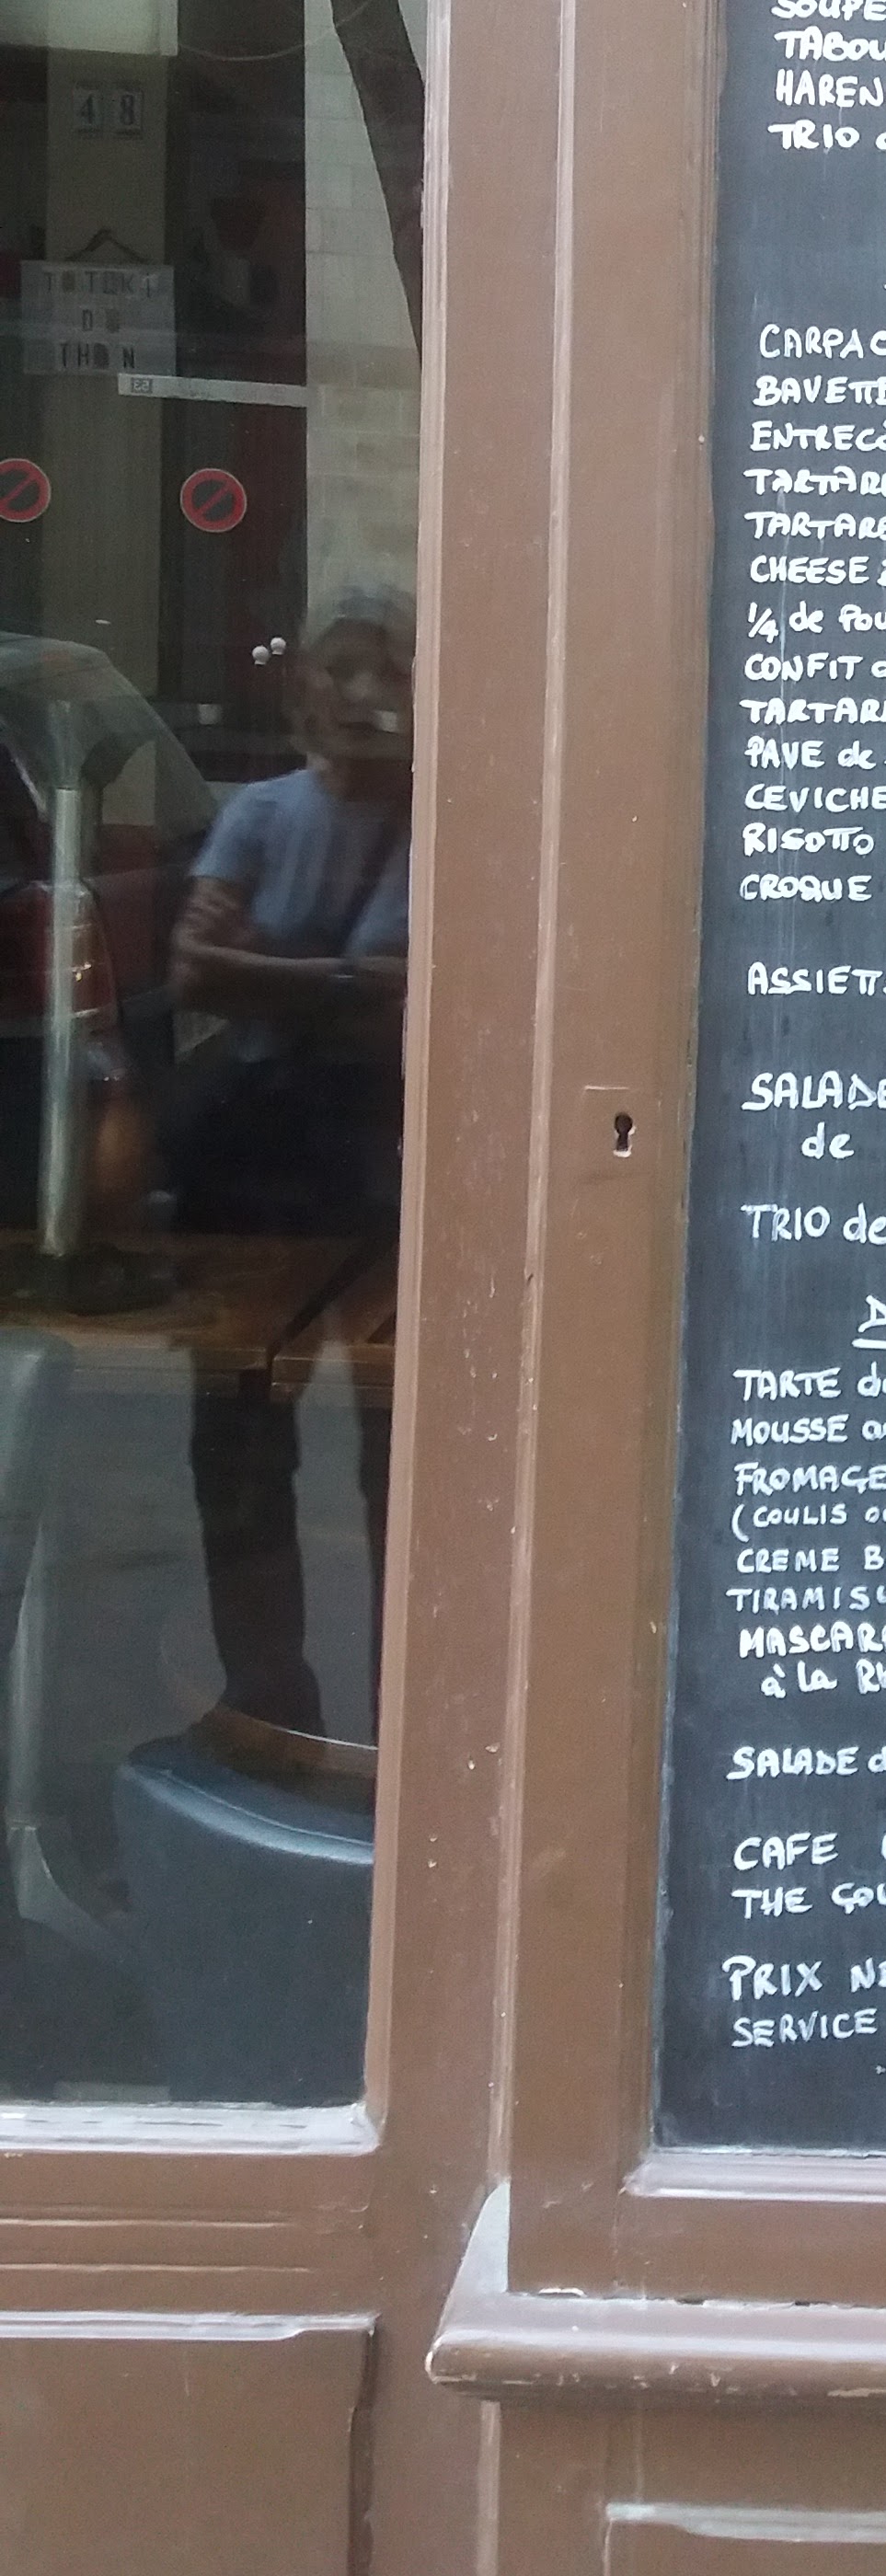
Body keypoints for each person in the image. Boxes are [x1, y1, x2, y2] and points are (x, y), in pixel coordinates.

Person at [167, 588, 414, 1736]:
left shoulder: (449, 822)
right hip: (258, 1178)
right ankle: (265, 1700)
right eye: (342, 668)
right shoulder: (261, 815)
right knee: (241, 1441)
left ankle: (403, 1714)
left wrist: (274, 971)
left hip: (389, 1170)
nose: (365, 695)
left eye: (390, 671)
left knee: (398, 1446)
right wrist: (350, 983)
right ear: (302, 687)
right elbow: (195, 970)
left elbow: (427, 991)